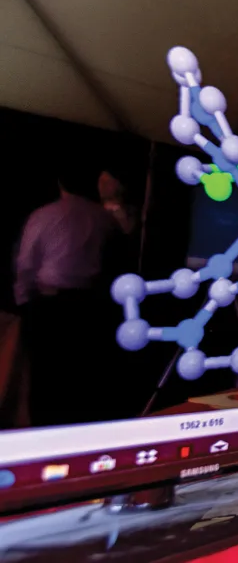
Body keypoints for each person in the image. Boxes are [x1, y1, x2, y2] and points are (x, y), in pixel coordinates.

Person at [14, 156, 128, 425]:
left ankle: (43, 435)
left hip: (51, 307)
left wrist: (23, 304)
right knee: (80, 379)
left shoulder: (43, 215)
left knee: (45, 379)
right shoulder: (104, 218)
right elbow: (116, 259)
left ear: (59, 182)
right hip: (91, 307)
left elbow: (26, 263)